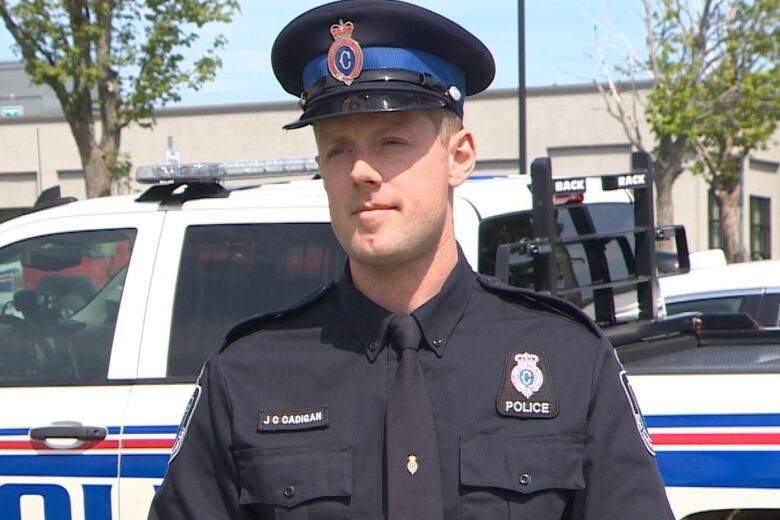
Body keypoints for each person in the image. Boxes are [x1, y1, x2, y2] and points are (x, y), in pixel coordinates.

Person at [149, 1, 675, 518]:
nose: (360, 171)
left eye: (391, 140)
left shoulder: (568, 360)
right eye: (337, 149)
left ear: (460, 156)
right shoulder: (248, 374)